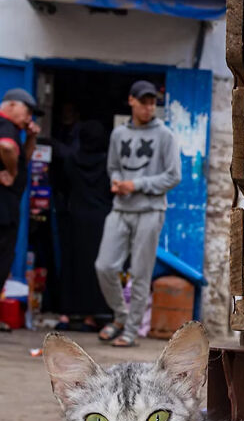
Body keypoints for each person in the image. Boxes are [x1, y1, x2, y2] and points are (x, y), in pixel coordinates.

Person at [95, 81, 181, 349]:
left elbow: (173, 175)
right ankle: (121, 316)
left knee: (140, 273)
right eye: (144, 102)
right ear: (131, 101)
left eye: (153, 102)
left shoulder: (165, 135)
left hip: (150, 210)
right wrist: (118, 181)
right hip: (121, 208)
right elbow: (113, 166)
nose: (149, 107)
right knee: (105, 266)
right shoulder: (118, 134)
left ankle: (131, 330)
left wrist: (138, 184)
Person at [53, 120, 113, 330]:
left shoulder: (70, 160)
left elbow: (62, 186)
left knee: (72, 265)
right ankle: (92, 315)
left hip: (75, 217)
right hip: (101, 219)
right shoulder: (107, 163)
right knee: (96, 267)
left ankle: (67, 314)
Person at [0, 88, 42, 332]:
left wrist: (31, 138)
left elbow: (22, 157)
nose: (30, 117)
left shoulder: (16, 130)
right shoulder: (6, 126)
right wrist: (12, 171)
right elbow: (6, 147)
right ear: (12, 105)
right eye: (28, 111)